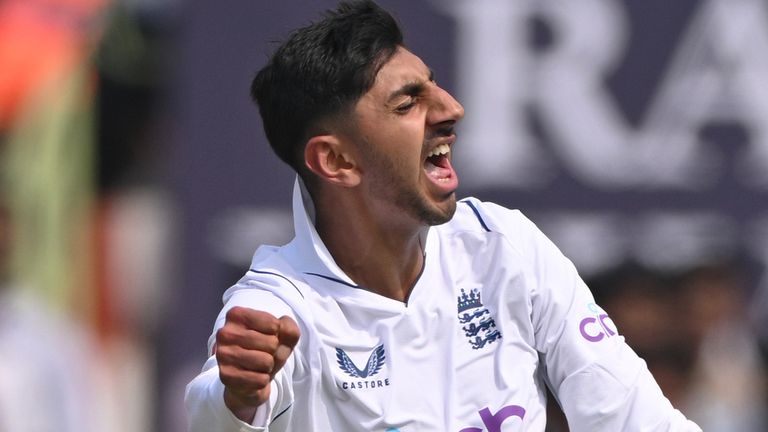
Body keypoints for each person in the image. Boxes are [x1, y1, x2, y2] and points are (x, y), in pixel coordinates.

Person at [184, 1, 702, 430]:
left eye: (434, 86)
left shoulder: (504, 245)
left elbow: (636, 417)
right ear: (336, 160)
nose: (452, 108)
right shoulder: (278, 305)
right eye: (408, 102)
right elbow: (214, 409)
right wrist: (236, 394)